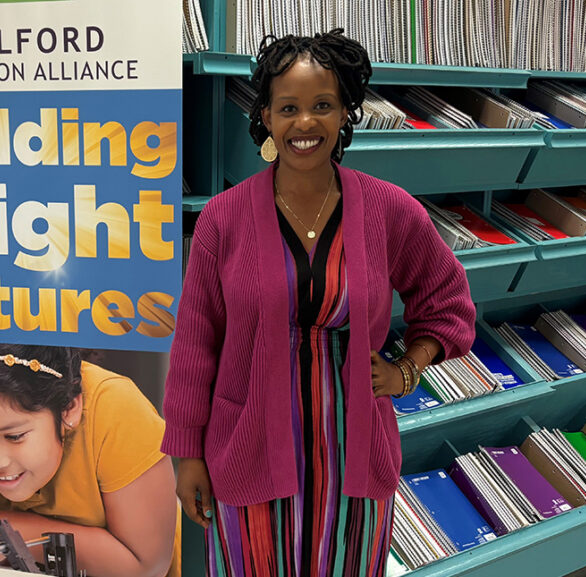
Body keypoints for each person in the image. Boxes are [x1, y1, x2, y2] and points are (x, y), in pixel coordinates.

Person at [161, 30, 476, 577]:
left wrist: (407, 369)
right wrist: (187, 454)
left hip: (353, 457)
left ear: (346, 112)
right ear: (265, 115)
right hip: (247, 450)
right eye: (289, 108)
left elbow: (447, 301)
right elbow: (195, 345)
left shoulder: (389, 210)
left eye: (322, 106)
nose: (305, 124)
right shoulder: (223, 219)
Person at [0, 341, 181, 577]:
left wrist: (12, 535)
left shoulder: (119, 411)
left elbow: (146, 565)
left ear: (69, 408)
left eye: (15, 436)